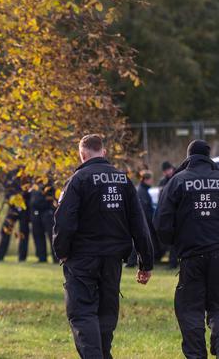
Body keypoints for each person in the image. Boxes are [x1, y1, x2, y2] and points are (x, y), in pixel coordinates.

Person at [53, 134, 154, 359]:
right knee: (107, 312)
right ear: (104, 152)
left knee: (82, 313)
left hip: (82, 259)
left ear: (82, 155)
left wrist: (62, 253)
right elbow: (139, 223)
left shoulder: (78, 180)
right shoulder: (123, 180)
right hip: (112, 259)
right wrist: (145, 262)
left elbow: (64, 221)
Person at [154, 140, 219, 359]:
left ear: (188, 157)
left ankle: (197, 355)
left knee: (190, 310)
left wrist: (175, 241)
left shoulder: (177, 182)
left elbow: (161, 223)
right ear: (209, 157)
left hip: (190, 257)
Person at [0, 171, 31, 262]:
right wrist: (12, 200)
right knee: (5, 231)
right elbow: (7, 190)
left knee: (24, 232)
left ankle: (22, 257)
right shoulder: (10, 174)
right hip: (12, 208)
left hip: (25, 208)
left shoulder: (28, 173)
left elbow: (30, 192)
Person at [125, 170, 155, 268]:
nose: (152, 181)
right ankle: (131, 262)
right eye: (151, 179)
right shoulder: (142, 192)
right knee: (139, 243)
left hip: (145, 220)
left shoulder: (142, 190)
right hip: (145, 221)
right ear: (146, 179)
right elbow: (144, 209)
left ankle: (132, 262)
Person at [29, 182, 58, 263]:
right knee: (38, 235)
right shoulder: (33, 181)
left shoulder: (48, 180)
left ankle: (56, 258)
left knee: (52, 236)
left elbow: (53, 196)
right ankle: (42, 258)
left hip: (47, 211)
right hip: (36, 212)